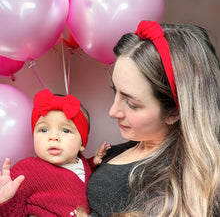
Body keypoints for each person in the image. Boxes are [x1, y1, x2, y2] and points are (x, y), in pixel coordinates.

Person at [87, 20, 220, 216]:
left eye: (131, 103)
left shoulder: (173, 188)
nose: (113, 111)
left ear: (174, 111)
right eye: (115, 91)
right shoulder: (117, 150)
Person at [0, 88, 109, 217]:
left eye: (66, 130)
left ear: (81, 144)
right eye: (44, 130)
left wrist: (94, 162)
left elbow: (76, 176)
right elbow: (13, 212)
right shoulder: (27, 169)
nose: (53, 137)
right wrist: (4, 199)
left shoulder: (81, 162)